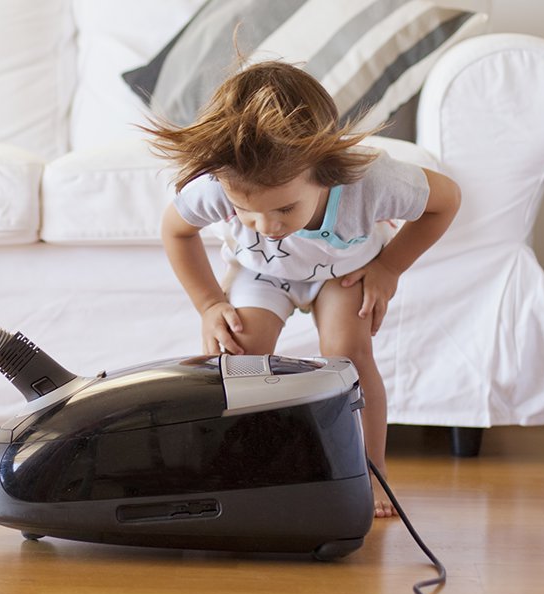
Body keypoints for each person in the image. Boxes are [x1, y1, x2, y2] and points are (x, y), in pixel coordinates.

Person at [144, 61, 460, 518]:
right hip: (262, 274)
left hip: (344, 273)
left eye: (284, 209)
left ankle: (370, 470)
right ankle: (241, 469)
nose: (268, 227)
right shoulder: (218, 184)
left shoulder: (370, 181)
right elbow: (176, 231)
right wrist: (210, 303)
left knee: (348, 354)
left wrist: (390, 267)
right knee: (237, 355)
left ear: (325, 171)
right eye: (246, 212)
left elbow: (446, 201)